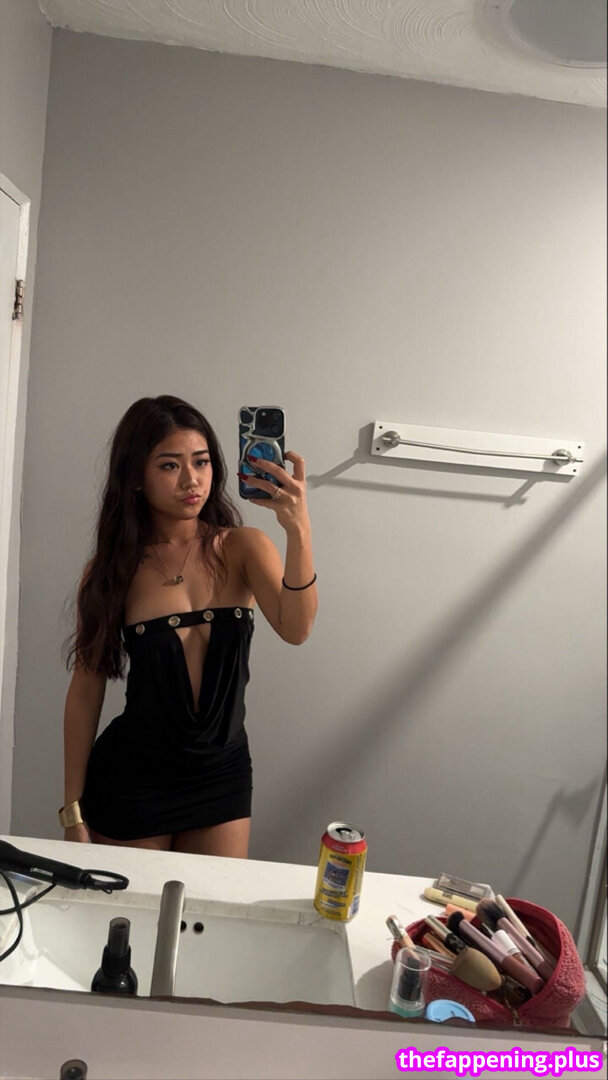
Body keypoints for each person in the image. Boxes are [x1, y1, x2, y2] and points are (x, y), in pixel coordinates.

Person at [61, 395, 317, 857]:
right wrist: (72, 811)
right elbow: (86, 689)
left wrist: (297, 529)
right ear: (135, 477)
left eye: (201, 462)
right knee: (132, 905)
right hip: (132, 777)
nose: (191, 479)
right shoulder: (113, 571)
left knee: (212, 904)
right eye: (169, 465)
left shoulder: (243, 547)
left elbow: (297, 629)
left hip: (222, 775)